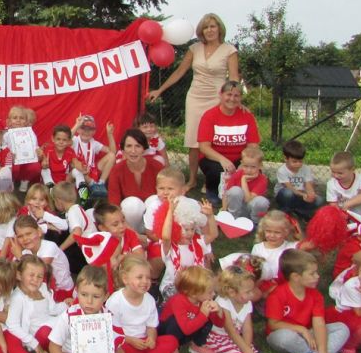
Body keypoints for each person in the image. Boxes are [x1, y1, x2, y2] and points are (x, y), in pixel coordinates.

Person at [146, 13, 240, 190]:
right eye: (206, 27)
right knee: (194, 141)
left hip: (218, 98)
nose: (209, 30)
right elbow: (179, 72)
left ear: (219, 28)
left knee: (214, 140)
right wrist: (160, 90)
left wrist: (235, 100)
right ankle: (192, 180)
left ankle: (211, 180)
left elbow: (234, 78)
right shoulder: (194, 48)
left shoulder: (229, 50)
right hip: (195, 97)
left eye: (212, 26)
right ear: (201, 31)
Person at [202, 265, 300, 353]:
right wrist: (246, 351)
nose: (252, 295)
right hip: (219, 337)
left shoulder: (247, 303)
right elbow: (231, 331)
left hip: (237, 337)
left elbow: (247, 328)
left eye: (252, 290)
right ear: (232, 292)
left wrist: (248, 347)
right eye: (248, 292)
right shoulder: (223, 303)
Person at [265, 249, 349, 353]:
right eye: (312, 274)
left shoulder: (316, 295)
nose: (317, 276)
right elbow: (273, 324)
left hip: (309, 334)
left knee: (342, 328)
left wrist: (322, 350)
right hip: (282, 334)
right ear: (296, 277)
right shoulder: (277, 295)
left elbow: (319, 323)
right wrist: (302, 329)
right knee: (285, 337)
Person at [107, 255, 178, 353]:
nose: (145, 281)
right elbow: (110, 331)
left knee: (171, 341)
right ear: (125, 279)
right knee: (113, 348)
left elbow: (151, 326)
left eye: (148, 278)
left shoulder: (149, 300)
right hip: (124, 343)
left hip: (143, 343)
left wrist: (151, 338)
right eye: (139, 277)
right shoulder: (115, 301)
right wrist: (130, 340)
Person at [196, 80, 260, 204]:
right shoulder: (210, 115)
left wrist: (245, 162)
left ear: (240, 98)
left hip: (240, 157)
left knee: (253, 168)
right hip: (215, 158)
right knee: (217, 170)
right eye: (229, 95)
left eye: (236, 96)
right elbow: (204, 147)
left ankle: (246, 194)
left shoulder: (247, 116)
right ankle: (213, 191)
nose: (232, 99)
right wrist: (222, 159)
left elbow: (253, 145)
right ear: (221, 95)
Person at [5, 255, 68, 353]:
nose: (35, 280)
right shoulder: (18, 298)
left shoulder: (42, 288)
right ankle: (64, 350)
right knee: (47, 332)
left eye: (39, 276)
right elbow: (12, 325)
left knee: (68, 321)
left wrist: (66, 305)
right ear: (19, 275)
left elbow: (52, 309)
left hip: (52, 323)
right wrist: (34, 343)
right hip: (40, 334)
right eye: (31, 275)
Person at [157, 266, 219, 353]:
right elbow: (185, 329)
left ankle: (197, 344)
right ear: (194, 293)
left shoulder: (202, 301)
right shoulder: (178, 300)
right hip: (165, 333)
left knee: (208, 317)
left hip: (185, 332)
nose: (214, 294)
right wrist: (203, 315)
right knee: (174, 322)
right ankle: (170, 349)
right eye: (210, 292)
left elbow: (219, 323)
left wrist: (218, 312)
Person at [108, 128, 163, 230]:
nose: (133, 151)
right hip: (130, 221)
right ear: (123, 150)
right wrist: (135, 235)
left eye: (138, 146)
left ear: (144, 148)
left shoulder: (157, 166)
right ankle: (132, 236)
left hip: (154, 220)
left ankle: (155, 234)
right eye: (129, 146)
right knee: (132, 204)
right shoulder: (116, 170)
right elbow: (114, 206)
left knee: (155, 200)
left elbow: (169, 195)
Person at [250, 210, 299, 300]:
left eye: (277, 232)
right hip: (263, 283)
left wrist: (296, 226)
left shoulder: (291, 246)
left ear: (286, 232)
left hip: (284, 283)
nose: (272, 235)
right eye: (268, 231)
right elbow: (254, 270)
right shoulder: (258, 248)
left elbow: (306, 244)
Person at [220, 145, 270, 226]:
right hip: (237, 208)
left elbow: (248, 199)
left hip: (250, 209)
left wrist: (243, 179)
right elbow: (226, 194)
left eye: (253, 167)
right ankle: (232, 219)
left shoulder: (262, 179)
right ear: (241, 163)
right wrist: (224, 210)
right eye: (246, 166)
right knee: (235, 190)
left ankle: (255, 223)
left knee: (262, 202)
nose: (249, 170)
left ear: (260, 166)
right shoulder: (237, 174)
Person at [273, 140, 322, 220]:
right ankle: (286, 211)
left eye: (300, 161)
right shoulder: (282, 170)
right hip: (285, 195)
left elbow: (308, 184)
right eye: (294, 161)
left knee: (319, 200)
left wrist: (311, 194)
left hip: (300, 195)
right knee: (288, 193)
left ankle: (298, 211)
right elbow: (290, 188)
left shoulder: (306, 168)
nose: (298, 164)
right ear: (285, 158)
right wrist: (303, 195)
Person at [325, 150, 361, 218]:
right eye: (333, 172)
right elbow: (333, 205)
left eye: (340, 173)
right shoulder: (331, 184)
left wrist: (348, 204)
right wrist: (340, 214)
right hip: (343, 216)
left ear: (352, 169)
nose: (336, 176)